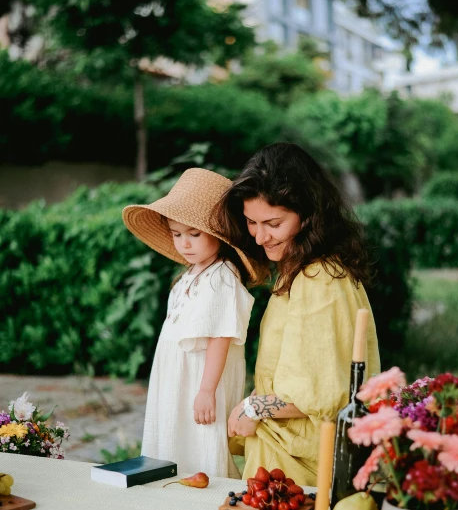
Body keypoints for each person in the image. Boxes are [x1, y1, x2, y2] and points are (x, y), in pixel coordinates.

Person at [215, 143, 380, 486]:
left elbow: (322, 392)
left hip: (301, 465)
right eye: (251, 222)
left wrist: (254, 408)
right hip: (287, 453)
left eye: (273, 223)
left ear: (307, 216)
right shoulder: (300, 269)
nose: (260, 236)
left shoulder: (318, 279)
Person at [122, 169, 256, 478]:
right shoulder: (189, 275)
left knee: (200, 440)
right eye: (176, 233)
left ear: (220, 236)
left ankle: (203, 496)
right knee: (174, 437)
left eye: (194, 234)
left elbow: (221, 336)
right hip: (176, 378)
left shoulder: (222, 276)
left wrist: (206, 390)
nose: (184, 243)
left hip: (200, 379)